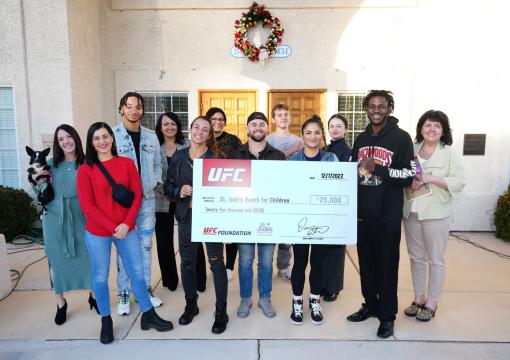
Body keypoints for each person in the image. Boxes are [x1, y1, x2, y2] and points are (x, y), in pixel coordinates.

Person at [77, 122, 172, 344]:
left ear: (112, 138)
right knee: (100, 277)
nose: (102, 142)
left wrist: (126, 223)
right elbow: (87, 206)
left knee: (137, 273)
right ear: (91, 143)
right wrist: (113, 227)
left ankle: (148, 315)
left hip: (126, 228)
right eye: (96, 138)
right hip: (98, 232)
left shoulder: (126, 163)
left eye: (105, 136)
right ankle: (106, 320)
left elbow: (137, 195)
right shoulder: (85, 169)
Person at [347, 90, 415, 338]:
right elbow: (354, 173)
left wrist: (380, 168)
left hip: (387, 216)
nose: (376, 110)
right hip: (364, 215)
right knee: (367, 266)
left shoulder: (401, 138)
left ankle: (387, 316)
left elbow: (408, 176)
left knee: (387, 267)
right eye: (372, 106)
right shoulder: (361, 138)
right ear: (366, 108)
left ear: (389, 108)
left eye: (381, 106)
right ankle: (371, 306)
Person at [164, 116, 229, 334]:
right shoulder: (179, 157)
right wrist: (178, 191)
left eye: (205, 130)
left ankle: (221, 311)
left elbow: (228, 191)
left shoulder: (217, 158)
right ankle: (191, 304)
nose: (199, 132)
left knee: (216, 263)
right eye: (196, 127)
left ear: (210, 135)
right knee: (187, 263)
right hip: (187, 218)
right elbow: (168, 187)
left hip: (211, 218)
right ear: (190, 130)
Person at [402, 110, 465, 322]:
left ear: (443, 130)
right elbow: (401, 172)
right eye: (428, 125)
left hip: (436, 213)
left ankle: (432, 301)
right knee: (416, 257)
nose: (432, 129)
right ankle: (419, 297)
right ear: (421, 127)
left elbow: (459, 181)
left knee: (435, 259)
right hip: (411, 210)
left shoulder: (448, 152)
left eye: (437, 126)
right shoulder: (411, 148)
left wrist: (431, 178)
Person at [33, 124, 97, 325]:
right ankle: (61, 302)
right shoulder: (50, 164)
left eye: (68, 137)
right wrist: (37, 182)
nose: (65, 142)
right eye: (60, 139)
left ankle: (94, 296)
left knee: (89, 256)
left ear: (75, 138)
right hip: (54, 217)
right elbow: (39, 190)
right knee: (56, 259)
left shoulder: (87, 163)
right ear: (57, 143)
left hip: (81, 216)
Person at [230, 112, 286, 319]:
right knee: (245, 260)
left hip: (268, 218)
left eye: (262, 124)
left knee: (266, 261)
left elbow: (283, 187)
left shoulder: (278, 156)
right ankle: (246, 298)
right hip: (244, 217)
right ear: (247, 129)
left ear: (267, 129)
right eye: (253, 124)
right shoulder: (236, 155)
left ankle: (265, 298)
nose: (258, 127)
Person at [113, 92, 163, 316]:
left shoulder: (151, 137)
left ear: (142, 110)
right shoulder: (112, 136)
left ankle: (143, 289)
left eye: (138, 107)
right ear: (122, 109)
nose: (134, 110)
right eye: (129, 106)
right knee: (124, 248)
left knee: (145, 247)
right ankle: (123, 290)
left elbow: (158, 164)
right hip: (122, 204)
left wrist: (154, 181)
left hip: (146, 202)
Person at [287, 115, 338, 325]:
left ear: (322, 135)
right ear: (302, 135)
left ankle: (315, 300)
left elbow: (338, 188)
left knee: (318, 263)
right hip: (300, 221)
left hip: (322, 219)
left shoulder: (331, 159)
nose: (313, 136)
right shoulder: (292, 161)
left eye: (317, 132)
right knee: (300, 262)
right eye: (308, 132)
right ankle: (297, 303)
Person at [154, 112, 204, 291]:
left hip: (188, 199)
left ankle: (198, 280)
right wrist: (169, 192)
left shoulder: (188, 145)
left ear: (179, 126)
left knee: (193, 239)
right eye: (166, 124)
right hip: (162, 199)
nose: (170, 127)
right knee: (164, 241)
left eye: (173, 124)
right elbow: (153, 175)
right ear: (160, 127)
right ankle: (170, 280)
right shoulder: (155, 148)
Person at [266, 104, 303, 280]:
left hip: (293, 190)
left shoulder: (300, 140)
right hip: (272, 190)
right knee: (269, 231)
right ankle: (265, 266)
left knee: (287, 235)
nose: (283, 117)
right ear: (273, 119)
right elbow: (268, 165)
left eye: (286, 114)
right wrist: (290, 151)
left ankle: (283, 267)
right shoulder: (268, 140)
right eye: (279, 115)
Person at [205, 107, 242, 282]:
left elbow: (241, 163)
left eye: (221, 119)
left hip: (230, 189)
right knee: (213, 231)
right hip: (210, 191)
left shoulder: (233, 140)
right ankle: (216, 264)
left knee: (231, 231)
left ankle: (229, 266)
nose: (217, 122)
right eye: (213, 119)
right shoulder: (202, 138)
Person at [322, 114, 351, 302]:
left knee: (335, 249)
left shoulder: (347, 151)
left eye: (338, 126)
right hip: (324, 203)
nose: (334, 129)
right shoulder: (327, 148)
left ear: (345, 130)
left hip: (338, 205)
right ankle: (325, 284)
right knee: (324, 249)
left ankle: (333, 288)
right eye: (331, 126)